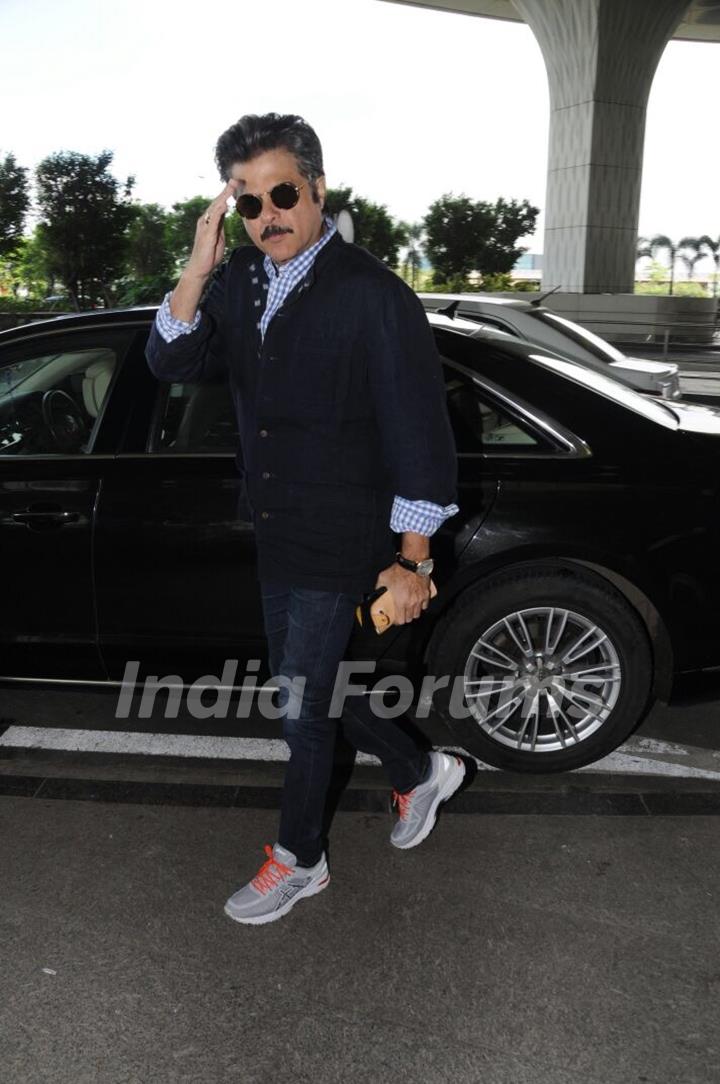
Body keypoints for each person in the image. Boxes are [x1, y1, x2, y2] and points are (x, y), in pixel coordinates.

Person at [146, 112, 465, 926]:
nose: (268, 215)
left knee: (298, 705)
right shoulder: (245, 281)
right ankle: (421, 768)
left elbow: (417, 429)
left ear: (318, 189)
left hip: (346, 532)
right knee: (314, 689)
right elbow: (172, 358)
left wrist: (413, 559)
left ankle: (299, 859)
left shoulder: (371, 294)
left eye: (283, 193)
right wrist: (198, 264)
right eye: (247, 203)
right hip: (278, 527)